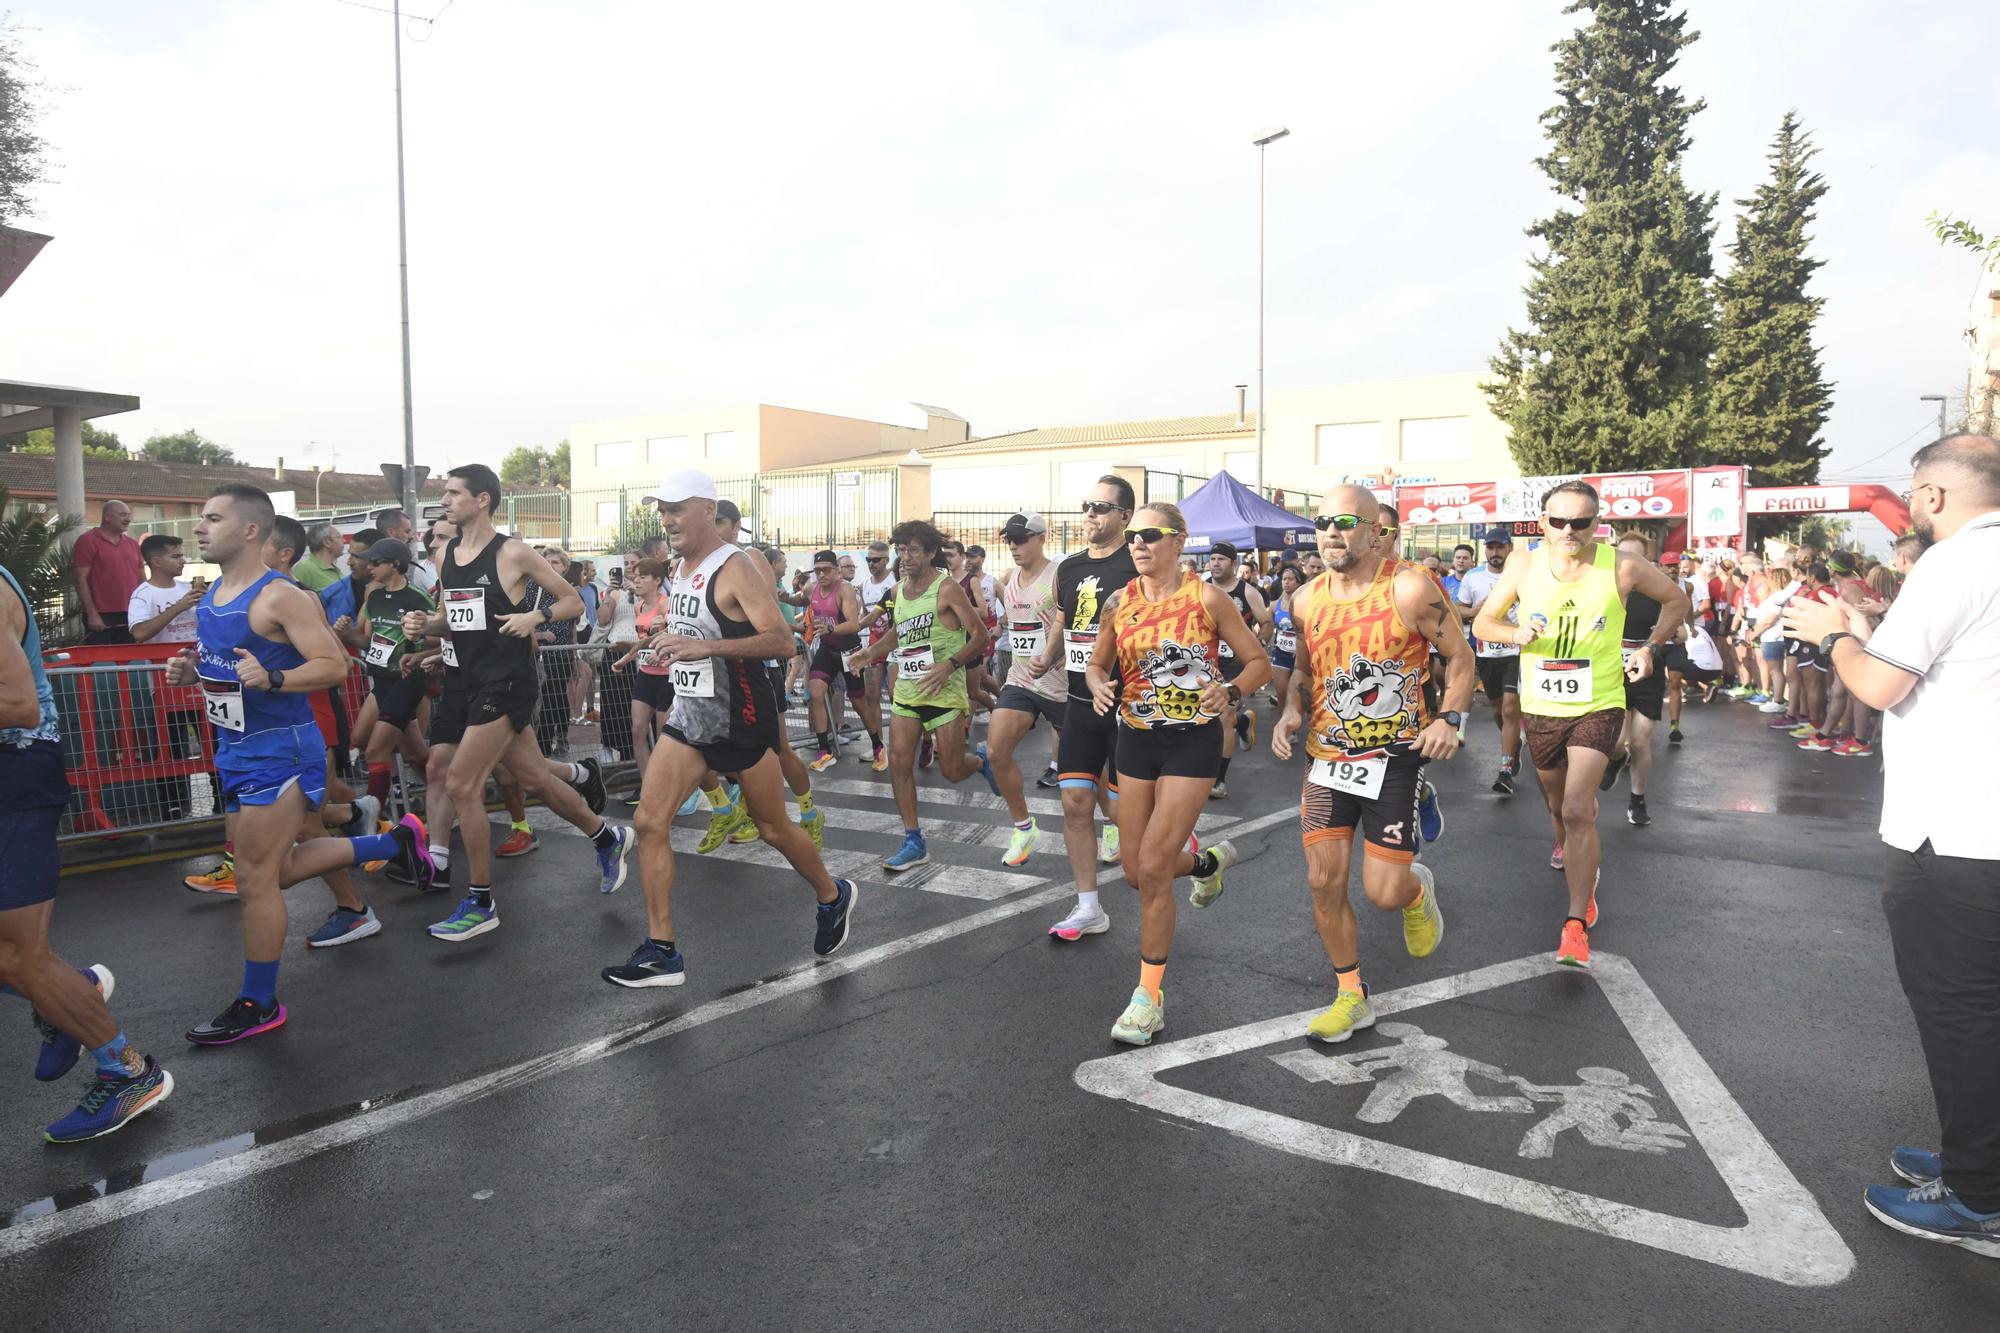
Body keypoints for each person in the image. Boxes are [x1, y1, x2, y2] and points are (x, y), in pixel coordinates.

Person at [1782, 434, 2000, 1257]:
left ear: (1935, 494)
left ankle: (1980, 1194)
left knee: (1963, 1017)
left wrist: (1834, 635)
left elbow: (1876, 682)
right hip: (1982, 824)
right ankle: (1975, 1158)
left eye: (1913, 493)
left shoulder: (1952, 564)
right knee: (1981, 1013)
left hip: (1954, 830)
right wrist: (1868, 623)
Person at [166, 484, 434, 1042]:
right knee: (270, 872)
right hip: (235, 749)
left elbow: (333, 665)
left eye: (212, 518)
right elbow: (234, 672)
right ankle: (393, 842)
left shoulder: (279, 595)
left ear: (249, 530)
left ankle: (258, 1003)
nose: (199, 527)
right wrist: (197, 674)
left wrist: (276, 678)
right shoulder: (216, 593)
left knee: (256, 880)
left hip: (280, 749)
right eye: (200, 517)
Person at [601, 470, 857, 987]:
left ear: (705, 510)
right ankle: (662, 951)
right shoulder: (681, 566)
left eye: (676, 509)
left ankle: (833, 895)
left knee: (772, 828)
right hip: (692, 714)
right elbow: (693, 629)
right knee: (651, 823)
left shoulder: (735, 566)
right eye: (662, 511)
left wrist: (706, 649)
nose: (666, 520)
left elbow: (783, 642)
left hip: (741, 714)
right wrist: (654, 643)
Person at [1271, 485, 1474, 1042]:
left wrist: (1448, 718)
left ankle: (1415, 889)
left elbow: (1460, 657)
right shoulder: (1306, 599)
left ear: (1373, 531)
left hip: (1395, 757)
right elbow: (1306, 673)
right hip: (1327, 757)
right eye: (1322, 522)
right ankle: (1350, 993)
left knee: (1384, 892)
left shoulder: (1410, 588)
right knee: (1323, 882)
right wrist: (1291, 709)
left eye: (1344, 521)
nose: (1331, 532)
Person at [402, 465, 633, 941]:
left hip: (507, 682)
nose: (443, 500)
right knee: (532, 779)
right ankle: (606, 836)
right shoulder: (447, 556)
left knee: (463, 783)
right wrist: (426, 626)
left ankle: (481, 902)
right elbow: (452, 622)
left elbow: (572, 602)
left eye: (452, 493)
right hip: (465, 681)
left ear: (483, 500)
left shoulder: (512, 552)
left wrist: (535, 616)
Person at [1470, 480, 1689, 970]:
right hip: (1541, 705)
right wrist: (1514, 632)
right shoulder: (1523, 563)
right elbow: (1484, 623)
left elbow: (1677, 602)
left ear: (1597, 523)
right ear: (1543, 521)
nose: (1569, 530)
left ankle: (1575, 922)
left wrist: (1651, 647)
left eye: (1581, 522)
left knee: (1576, 807)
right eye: (1559, 521)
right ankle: (1577, 862)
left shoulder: (1623, 565)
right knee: (1555, 806)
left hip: (1600, 701)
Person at [1, 558, 176, 1142]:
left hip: (16, 774)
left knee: (20, 957)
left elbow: (20, 706)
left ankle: (128, 1072)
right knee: (20, 960)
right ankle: (71, 990)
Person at [1089, 502, 1265, 1044]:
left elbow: (1257, 661)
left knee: (1155, 865)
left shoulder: (1206, 597)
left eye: (1150, 535)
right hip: (1136, 740)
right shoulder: (1120, 602)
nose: (1138, 544)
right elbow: (1099, 662)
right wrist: (1098, 683)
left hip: (1192, 742)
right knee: (1137, 871)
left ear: (1179, 540)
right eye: (1134, 536)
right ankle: (1207, 863)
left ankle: (1148, 997)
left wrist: (1231, 690)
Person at [846, 520, 998, 872]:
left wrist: (949, 665)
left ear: (931, 552)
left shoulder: (946, 589)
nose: (905, 557)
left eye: (913, 550)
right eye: (901, 550)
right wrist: (868, 654)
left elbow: (979, 635)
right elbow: (898, 634)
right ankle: (913, 840)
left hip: (944, 690)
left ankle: (980, 761)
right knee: (899, 763)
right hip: (909, 690)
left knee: (953, 770)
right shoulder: (899, 591)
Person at [1044, 476, 1139, 940]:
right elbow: (1064, 624)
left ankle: (1181, 843)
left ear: (1124, 516)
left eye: (1101, 507)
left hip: (1127, 707)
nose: (1090, 515)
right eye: (1087, 506)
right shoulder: (1069, 568)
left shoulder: (1135, 565)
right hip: (1079, 702)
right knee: (1075, 804)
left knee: (1124, 816)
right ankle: (1088, 907)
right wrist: (1046, 656)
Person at [985, 510, 1065, 866]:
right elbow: (1015, 621)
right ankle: (1023, 826)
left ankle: (1110, 823)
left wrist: (1051, 654)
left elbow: (1069, 623)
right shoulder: (1009, 578)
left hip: (1061, 683)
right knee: (996, 751)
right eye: (1009, 540)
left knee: (1088, 765)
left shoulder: (1058, 576)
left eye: (1021, 539)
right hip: (1021, 679)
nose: (1014, 546)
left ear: (1041, 538)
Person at [341, 538, 436, 812]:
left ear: (395, 565)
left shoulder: (418, 597)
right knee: (408, 752)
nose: (368, 566)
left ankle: (374, 821)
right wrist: (346, 633)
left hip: (406, 679)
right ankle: (448, 792)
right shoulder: (375, 596)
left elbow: (441, 638)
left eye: (375, 562)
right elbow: (369, 641)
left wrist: (417, 643)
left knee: (374, 751)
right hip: (381, 679)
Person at [791, 549, 883, 772]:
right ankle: (825, 751)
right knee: (815, 694)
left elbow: (853, 624)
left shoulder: (845, 589)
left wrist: (831, 628)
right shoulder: (812, 588)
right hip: (827, 650)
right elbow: (800, 604)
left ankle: (878, 746)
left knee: (859, 703)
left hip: (849, 652)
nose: (821, 575)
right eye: (818, 571)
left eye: (826, 570)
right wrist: (780, 600)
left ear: (836, 571)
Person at [1599, 532, 1667, 827]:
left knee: (1640, 741)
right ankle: (1616, 759)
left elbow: (1680, 630)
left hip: (1647, 671)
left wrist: (1661, 638)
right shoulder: (1603, 588)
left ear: (1646, 561)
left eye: (1634, 557)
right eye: (1621, 555)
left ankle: (1637, 800)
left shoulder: (1660, 591)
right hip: (1612, 669)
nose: (1626, 563)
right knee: (1615, 743)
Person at [1455, 533, 1524, 793]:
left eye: (1500, 547)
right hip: (1486, 653)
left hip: (1516, 651)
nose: (1495, 552)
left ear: (1509, 548)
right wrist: (1476, 611)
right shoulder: (1474, 578)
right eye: (1490, 547)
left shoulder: (1522, 577)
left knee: (1509, 709)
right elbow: (1460, 609)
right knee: (1498, 710)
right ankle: (1514, 744)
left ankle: (1505, 770)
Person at [1203, 542, 1271, 798]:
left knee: (1222, 720)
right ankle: (1243, 722)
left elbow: (1265, 622)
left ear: (1233, 563)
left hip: (1235, 666)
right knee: (1212, 718)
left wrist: (1258, 645)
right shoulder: (1201, 588)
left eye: (1222, 559)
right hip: (1206, 666)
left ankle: (1219, 781)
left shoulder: (1248, 592)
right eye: (1213, 558)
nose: (1216, 563)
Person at [73, 500, 145, 644]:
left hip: (131, 613)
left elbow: (142, 580)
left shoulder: (132, 544)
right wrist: (92, 613)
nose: (128, 519)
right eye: (122, 515)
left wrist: (144, 610)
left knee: (129, 661)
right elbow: (79, 579)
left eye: (129, 515)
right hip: (101, 615)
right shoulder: (87, 541)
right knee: (101, 663)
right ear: (107, 517)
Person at [127, 535, 204, 644]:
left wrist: (209, 601)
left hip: (196, 658)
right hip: (162, 660)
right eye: (176, 557)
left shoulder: (189, 588)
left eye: (181, 556)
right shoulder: (142, 594)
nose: (183, 561)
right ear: (156, 562)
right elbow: (139, 634)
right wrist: (178, 607)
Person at [1267, 564, 1303, 731]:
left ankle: (1294, 724)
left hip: (1299, 655)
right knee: (1281, 693)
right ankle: (1285, 727)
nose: (1286, 582)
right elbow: (1266, 625)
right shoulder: (1274, 605)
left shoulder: (1304, 603)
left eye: (1290, 579)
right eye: (1284, 579)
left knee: (1295, 694)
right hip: (1281, 653)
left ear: (1298, 582)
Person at [293, 523, 346, 593]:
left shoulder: (335, 569)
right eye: (339, 536)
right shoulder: (305, 568)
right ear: (327, 542)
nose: (344, 541)